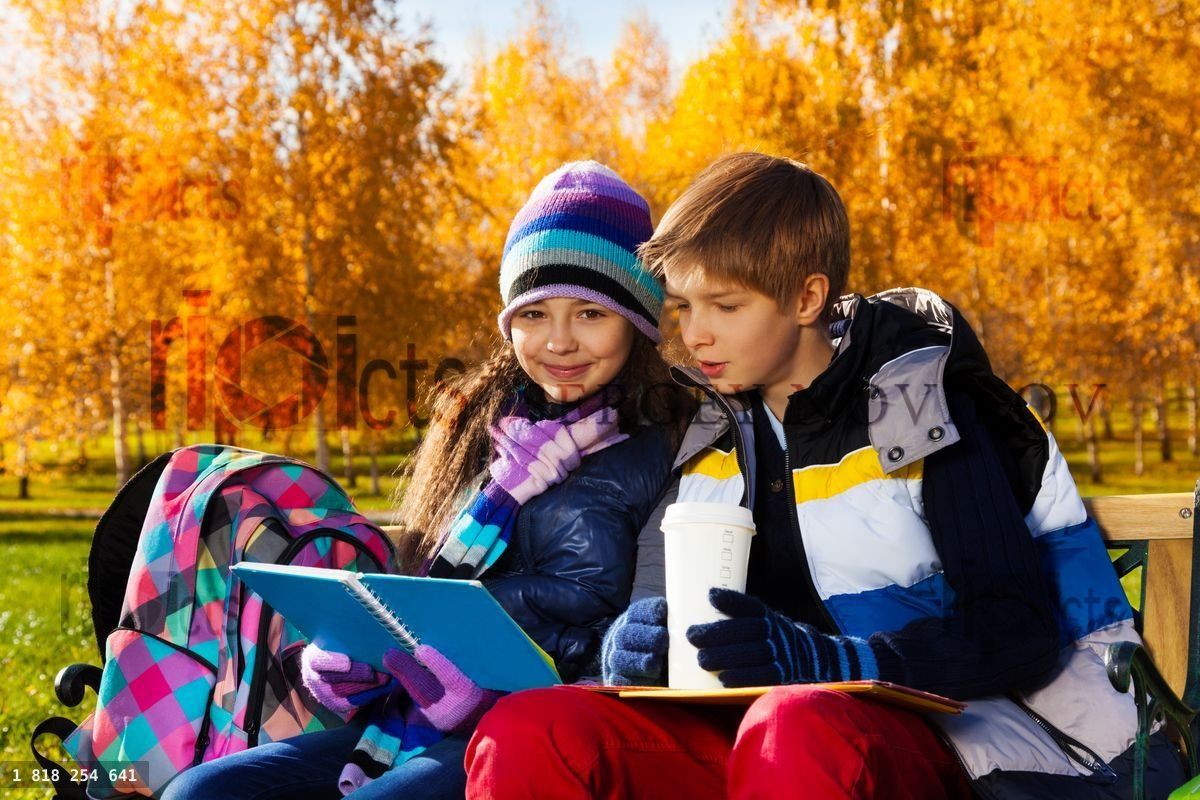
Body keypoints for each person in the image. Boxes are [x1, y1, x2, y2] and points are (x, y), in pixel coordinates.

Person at [464, 153, 1187, 799]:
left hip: (967, 742)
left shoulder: (923, 409)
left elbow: (1018, 628)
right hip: (773, 745)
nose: (696, 334)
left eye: (727, 305)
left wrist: (841, 659)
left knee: (793, 725)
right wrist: (632, 645)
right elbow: (666, 622)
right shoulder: (710, 429)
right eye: (684, 307)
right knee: (534, 728)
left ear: (807, 299)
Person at [162, 160, 693, 800]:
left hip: (546, 725)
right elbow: (415, 592)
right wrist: (348, 664)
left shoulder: (669, 437)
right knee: (203, 794)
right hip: (412, 717)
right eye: (533, 314)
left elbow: (644, 642)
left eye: (589, 314)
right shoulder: (477, 425)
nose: (558, 342)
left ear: (637, 320)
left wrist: (484, 689)